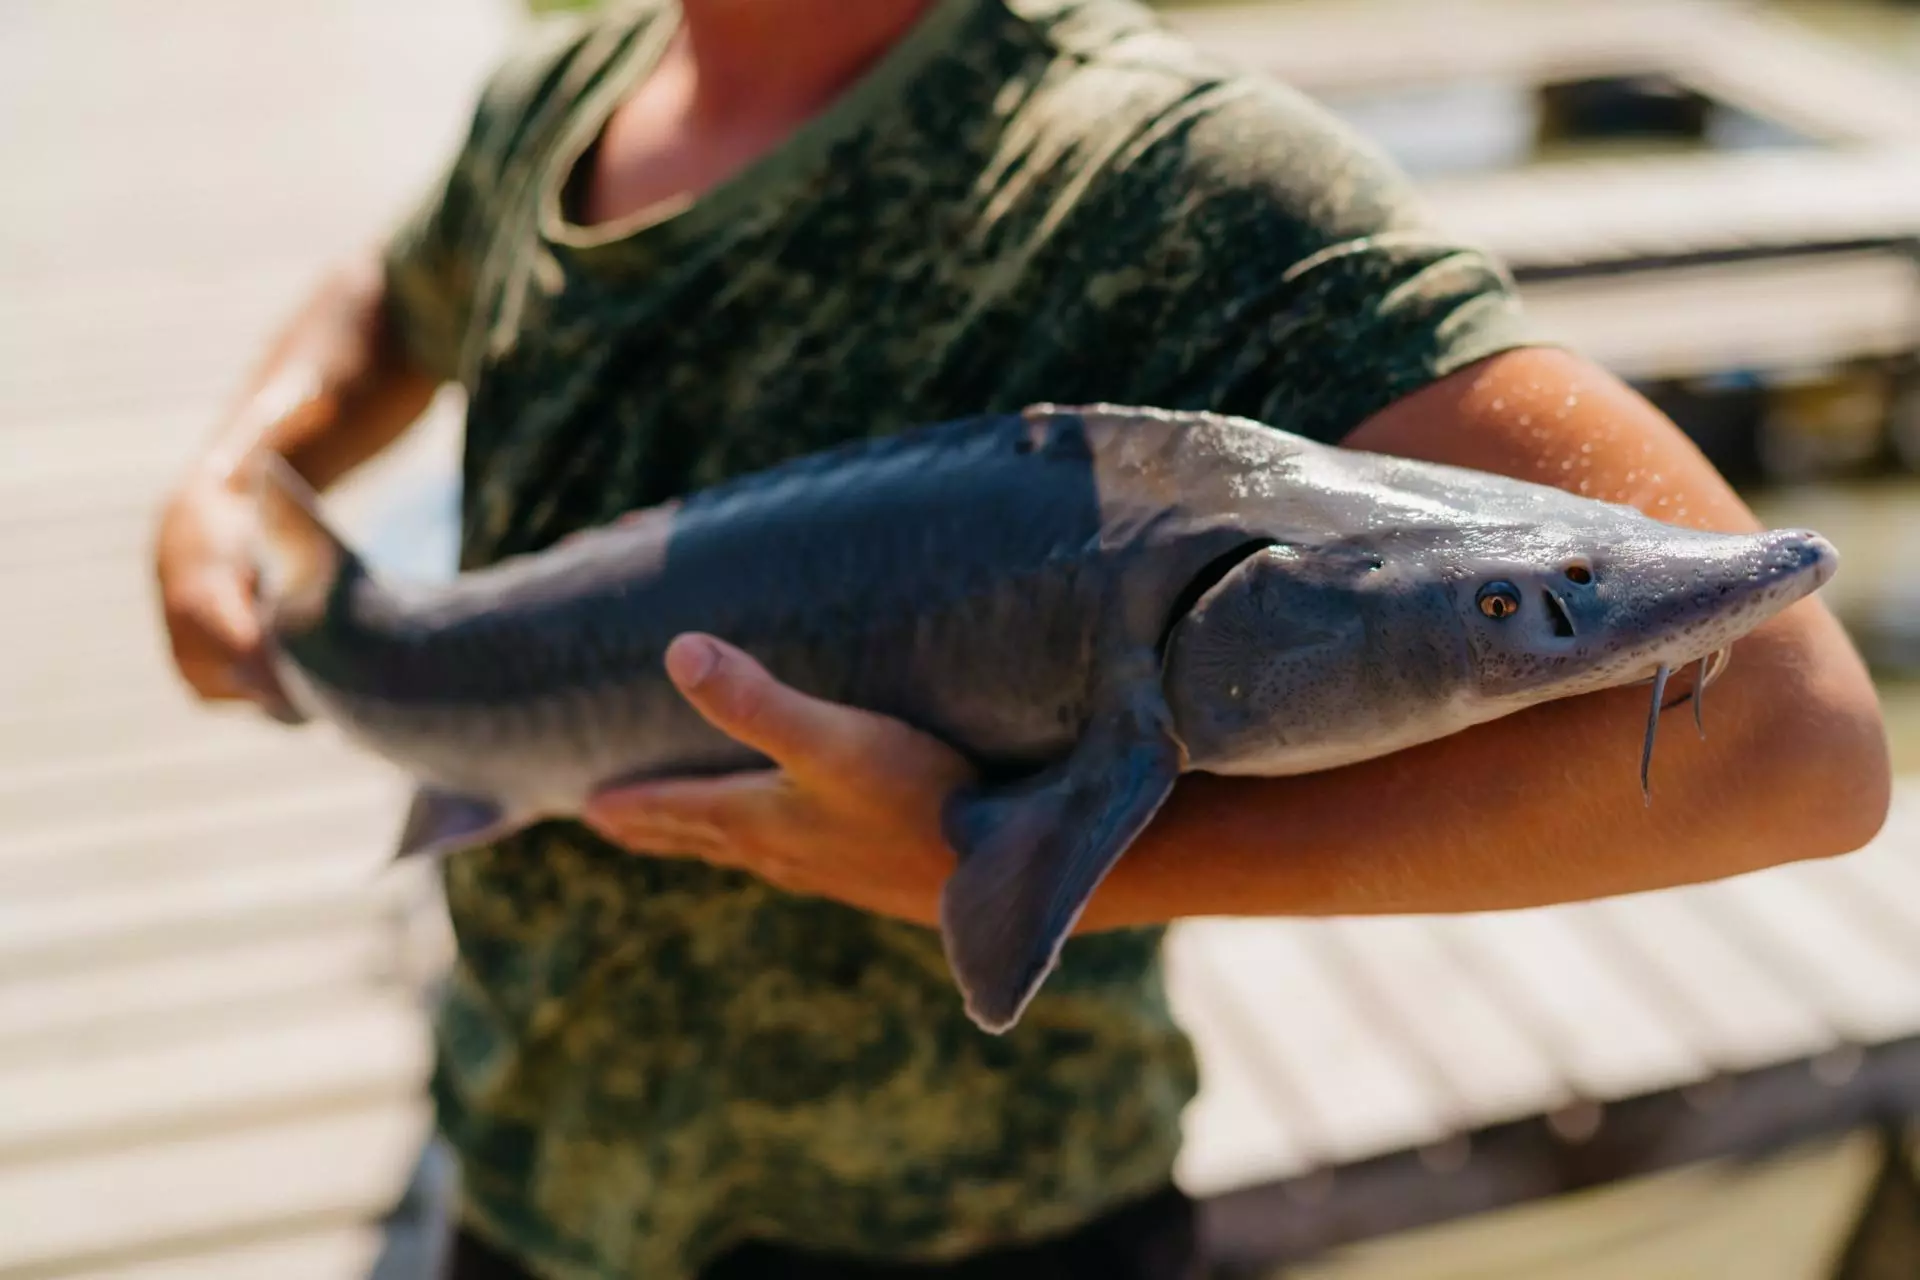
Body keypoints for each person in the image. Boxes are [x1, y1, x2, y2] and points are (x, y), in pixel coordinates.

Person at [151, 0, 1893, 1276]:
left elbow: (1796, 744)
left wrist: (1035, 864)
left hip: (978, 1231)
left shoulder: (1172, 173)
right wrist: (245, 471)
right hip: (524, 1179)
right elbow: (400, 290)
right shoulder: (572, 78)